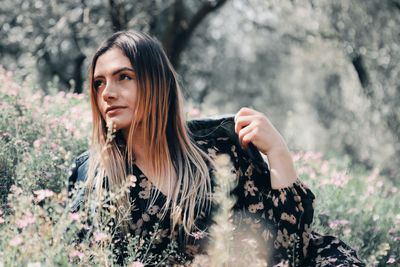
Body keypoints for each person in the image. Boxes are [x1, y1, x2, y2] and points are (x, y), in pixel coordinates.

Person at [67, 30, 365, 266]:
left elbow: (287, 249)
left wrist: (277, 151)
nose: (107, 93)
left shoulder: (220, 149)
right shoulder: (94, 176)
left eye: (124, 77)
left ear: (157, 83)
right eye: (98, 84)